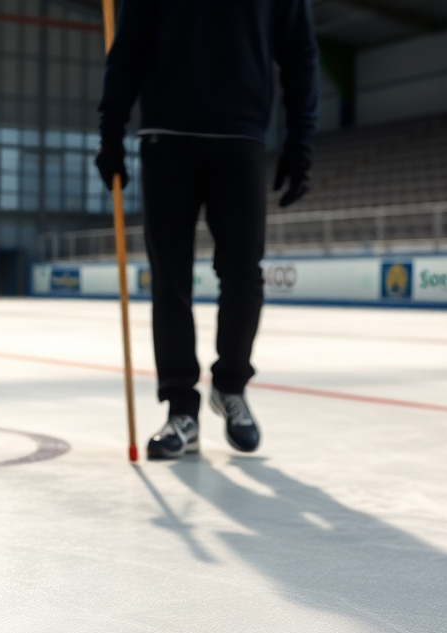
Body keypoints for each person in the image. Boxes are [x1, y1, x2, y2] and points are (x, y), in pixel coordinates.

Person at [96, 0, 317, 459]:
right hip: (166, 137)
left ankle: (231, 385)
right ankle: (181, 408)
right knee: (169, 279)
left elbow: (299, 50)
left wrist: (301, 139)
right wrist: (110, 132)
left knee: (243, 273)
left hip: (240, 136)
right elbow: (128, 49)